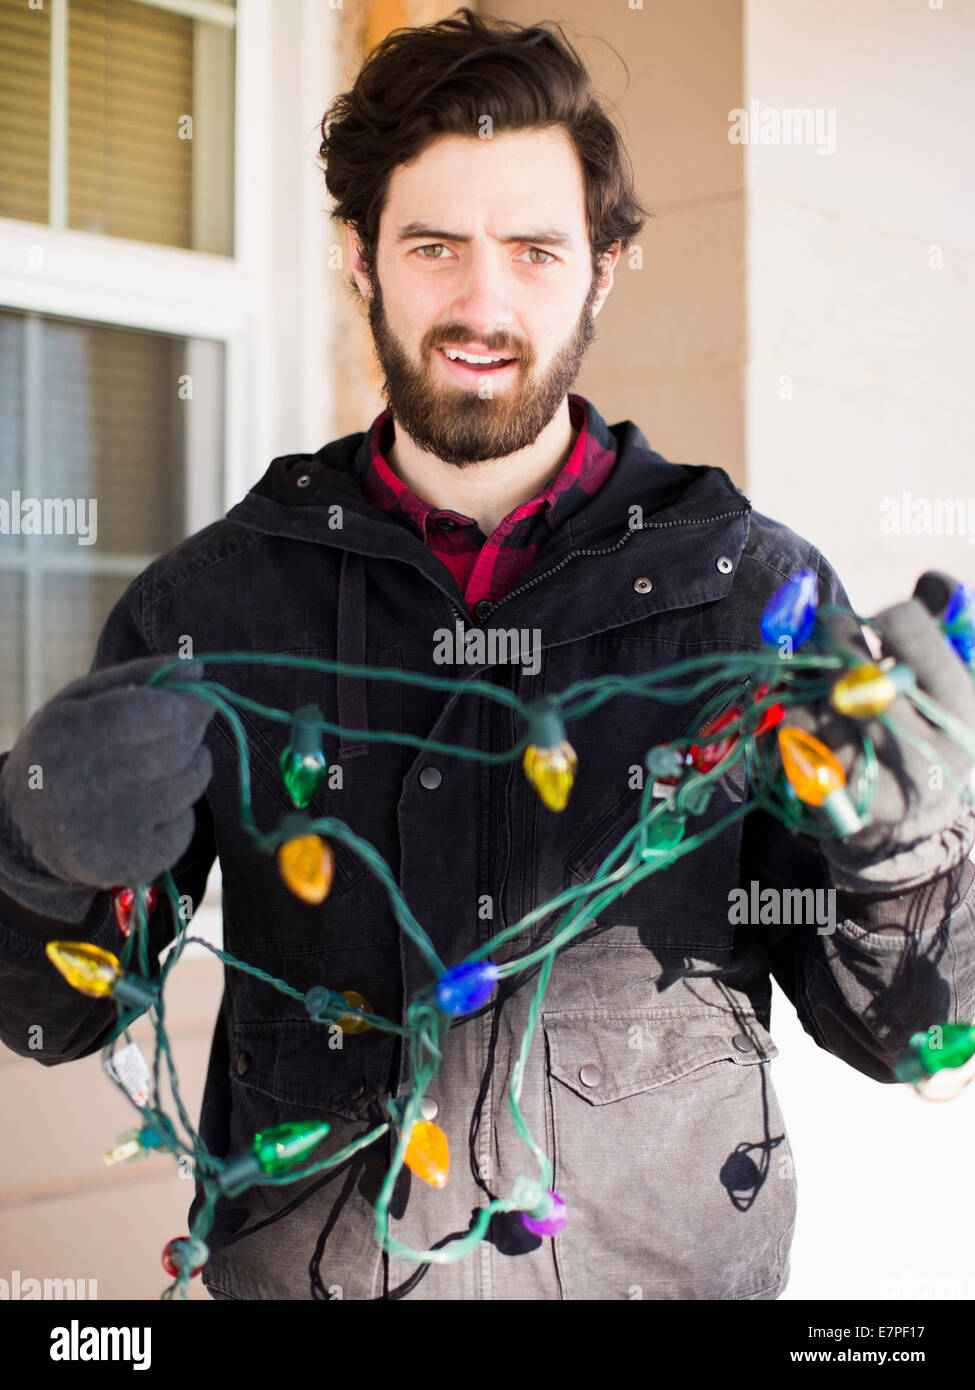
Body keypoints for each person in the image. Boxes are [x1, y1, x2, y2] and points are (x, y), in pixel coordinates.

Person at [1, 8, 974, 1302]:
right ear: (360, 257)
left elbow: (913, 1036)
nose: (483, 300)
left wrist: (911, 848)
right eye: (435, 244)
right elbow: (52, 1015)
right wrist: (37, 848)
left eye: (532, 248)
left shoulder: (748, 595)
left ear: (605, 264)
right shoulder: (220, 605)